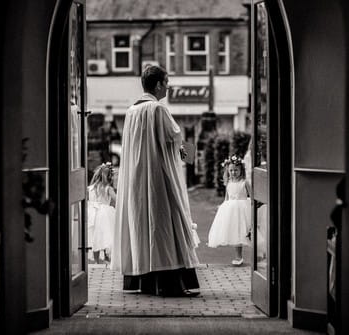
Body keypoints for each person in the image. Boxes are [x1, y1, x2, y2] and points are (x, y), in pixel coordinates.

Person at [111, 64, 200, 297]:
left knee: (141, 225)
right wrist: (189, 155)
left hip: (136, 179)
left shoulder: (131, 111)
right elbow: (175, 137)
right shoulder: (158, 110)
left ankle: (144, 282)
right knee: (163, 226)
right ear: (159, 84)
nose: (168, 88)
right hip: (157, 178)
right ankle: (170, 284)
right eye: (167, 83)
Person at [207, 155, 252, 266]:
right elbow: (227, 198)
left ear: (241, 170)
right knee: (236, 233)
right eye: (231, 170)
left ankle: (259, 256)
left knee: (247, 232)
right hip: (231, 210)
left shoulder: (245, 182)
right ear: (228, 171)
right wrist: (222, 208)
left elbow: (252, 196)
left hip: (243, 209)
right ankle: (238, 257)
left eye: (236, 170)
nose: (233, 172)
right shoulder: (229, 183)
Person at [87, 162, 117, 264]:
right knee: (106, 234)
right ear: (109, 177)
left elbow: (86, 200)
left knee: (95, 236)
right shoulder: (108, 188)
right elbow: (116, 199)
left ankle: (96, 261)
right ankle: (107, 258)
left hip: (92, 213)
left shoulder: (90, 188)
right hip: (104, 213)